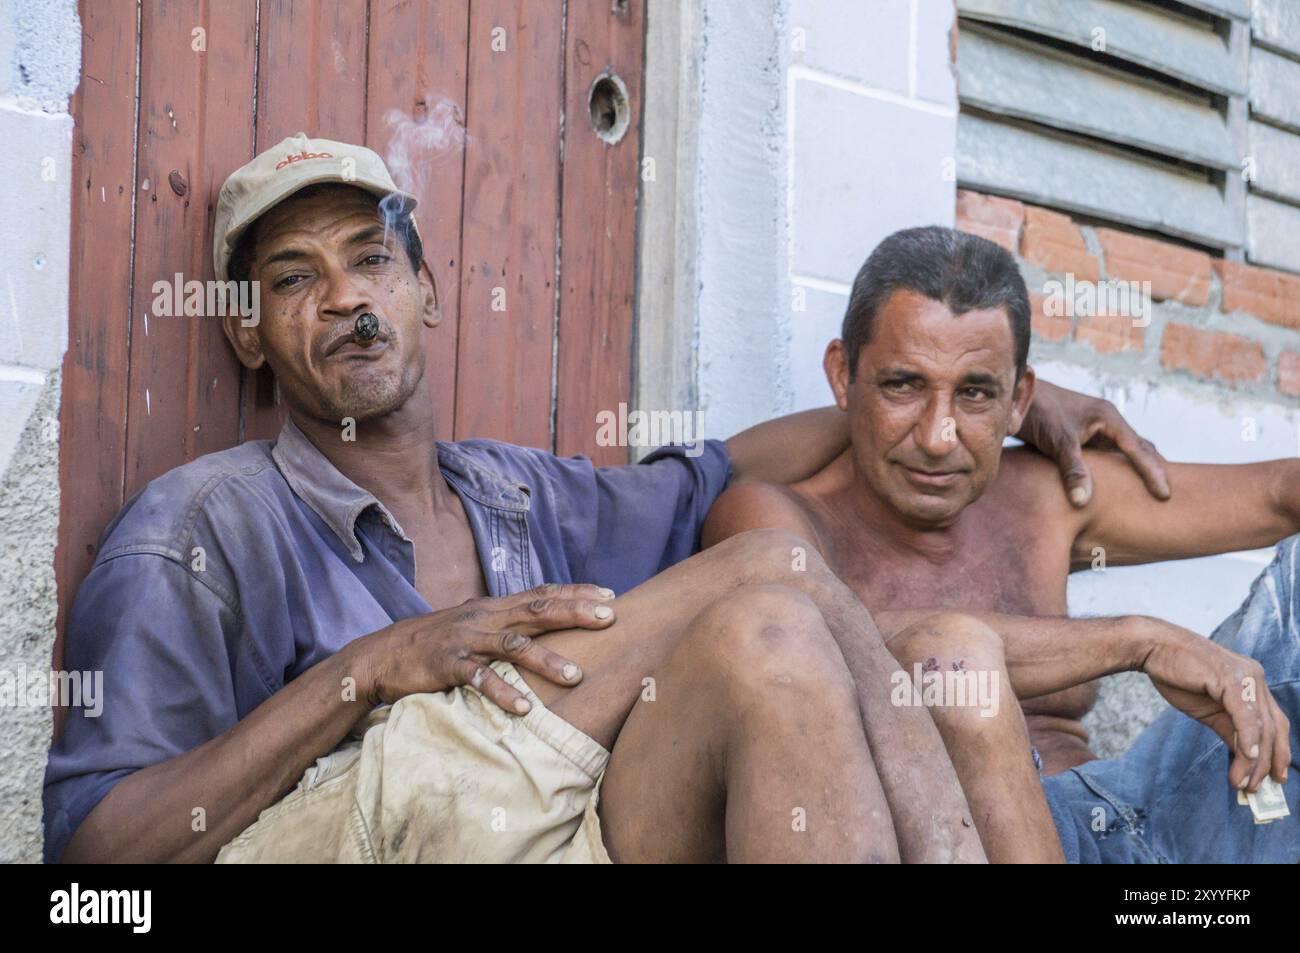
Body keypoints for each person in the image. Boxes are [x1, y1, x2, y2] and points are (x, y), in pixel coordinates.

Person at [44, 138, 1162, 864]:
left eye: (372, 261)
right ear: (245, 327)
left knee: (771, 624)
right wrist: (366, 670)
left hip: (547, 833)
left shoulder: (519, 494)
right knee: (773, 577)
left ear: (426, 293)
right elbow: (90, 866)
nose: (346, 300)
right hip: (350, 836)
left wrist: (992, 399)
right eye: (293, 277)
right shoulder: (195, 529)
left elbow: (734, 461)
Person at [703, 225, 1299, 863]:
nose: (937, 436)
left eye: (975, 393)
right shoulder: (771, 517)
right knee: (954, 665)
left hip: (1151, 824)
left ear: (1021, 401)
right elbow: (834, 638)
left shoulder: (1043, 494)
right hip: (974, 842)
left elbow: (1275, 495)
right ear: (843, 375)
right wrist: (1139, 640)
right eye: (903, 385)